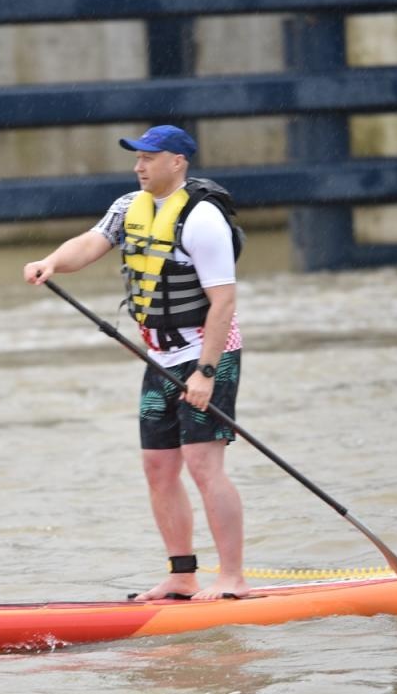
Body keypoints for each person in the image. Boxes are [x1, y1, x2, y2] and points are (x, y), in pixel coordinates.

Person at [23, 124, 248, 602]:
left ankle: (232, 578)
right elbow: (88, 243)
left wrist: (206, 373)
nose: (138, 166)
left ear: (178, 162)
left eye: (150, 157)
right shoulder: (128, 208)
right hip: (160, 356)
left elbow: (224, 302)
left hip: (209, 353)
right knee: (157, 467)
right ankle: (182, 575)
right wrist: (51, 262)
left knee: (203, 465)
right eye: (137, 157)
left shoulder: (203, 219)